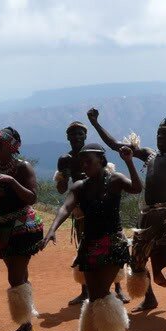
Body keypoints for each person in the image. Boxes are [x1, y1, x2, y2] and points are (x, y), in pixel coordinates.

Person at [89, 90, 166, 313]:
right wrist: (96, 123)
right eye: (158, 134)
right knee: (137, 259)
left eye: (165, 135)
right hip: (147, 215)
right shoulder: (149, 155)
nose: (160, 138)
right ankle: (149, 298)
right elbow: (115, 145)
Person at [42, 144, 142, 331]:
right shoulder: (80, 186)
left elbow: (137, 188)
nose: (84, 165)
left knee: (102, 290)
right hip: (89, 244)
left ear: (101, 161)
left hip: (113, 243)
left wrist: (129, 161)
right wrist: (52, 229)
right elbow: (65, 207)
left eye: (89, 161)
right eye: (83, 162)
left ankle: (117, 329)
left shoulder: (115, 180)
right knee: (95, 294)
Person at [0, 127, 43, 331]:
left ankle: (26, 326)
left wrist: (11, 182)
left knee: (16, 276)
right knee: (16, 274)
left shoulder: (22, 168)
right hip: (4, 227)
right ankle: (25, 322)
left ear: (11, 148)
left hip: (24, 226)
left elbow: (32, 198)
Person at [54, 121, 91, 306]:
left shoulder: (94, 153)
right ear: (67, 137)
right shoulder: (65, 159)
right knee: (83, 246)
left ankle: (117, 288)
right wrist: (66, 175)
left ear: (85, 136)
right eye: (73, 134)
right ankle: (85, 291)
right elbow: (61, 189)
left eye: (80, 134)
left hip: (98, 203)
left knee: (108, 242)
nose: (76, 137)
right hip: (80, 207)